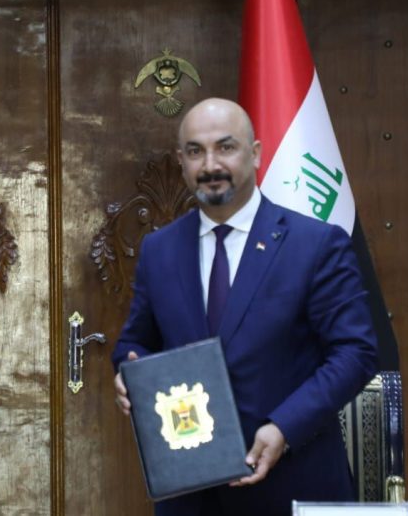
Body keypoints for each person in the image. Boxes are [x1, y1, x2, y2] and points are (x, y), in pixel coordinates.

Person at [112, 98, 377, 515]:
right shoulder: (159, 249)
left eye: (226, 147)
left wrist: (284, 427)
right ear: (181, 162)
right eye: (195, 151)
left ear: (255, 154)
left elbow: (355, 353)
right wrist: (129, 373)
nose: (210, 165)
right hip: (190, 494)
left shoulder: (315, 244)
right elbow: (135, 341)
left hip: (292, 482)